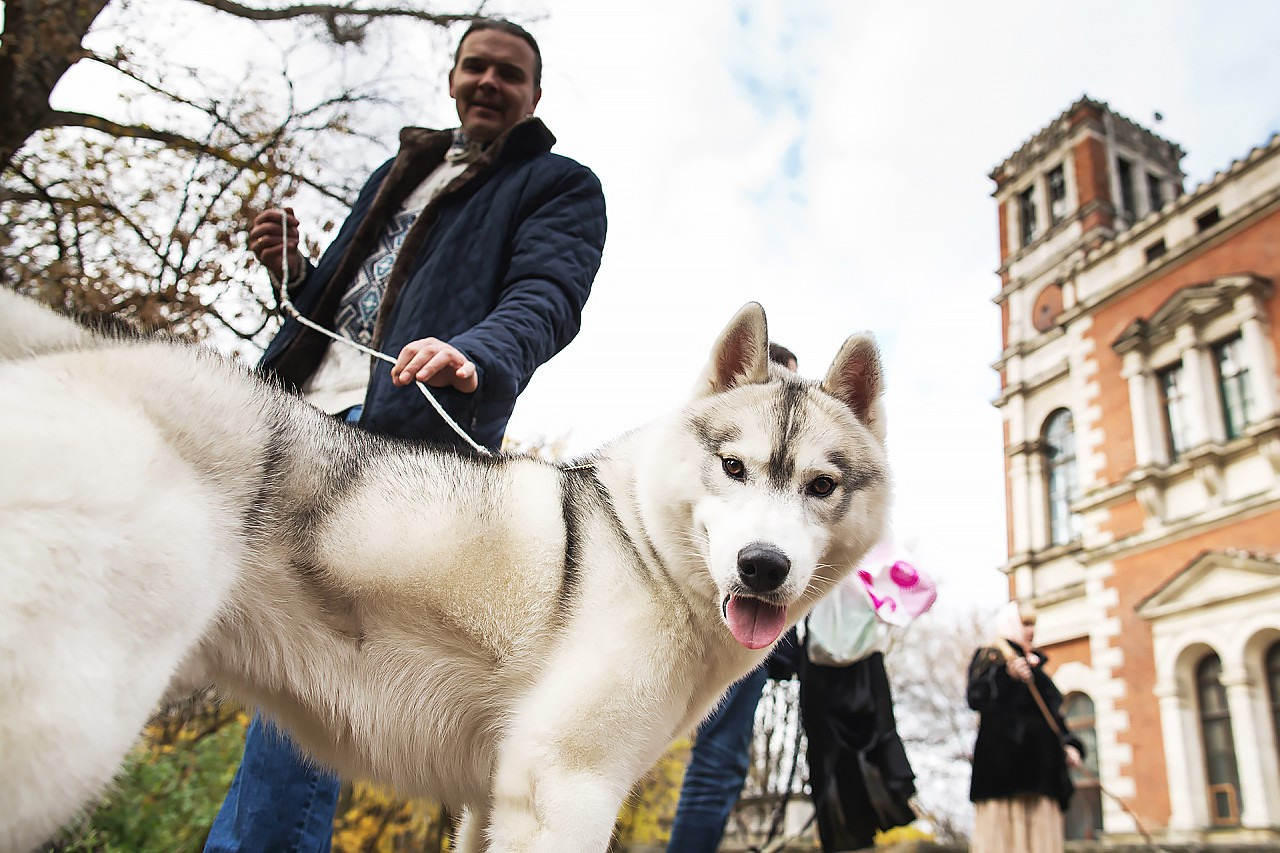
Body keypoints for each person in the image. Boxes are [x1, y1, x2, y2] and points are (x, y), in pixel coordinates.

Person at [204, 18, 606, 853]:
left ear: (535, 95)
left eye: (510, 73)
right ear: (453, 77)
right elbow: (349, 300)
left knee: (313, 660)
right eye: (476, 67)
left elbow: (548, 295)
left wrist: (475, 350)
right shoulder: (399, 172)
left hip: (404, 440)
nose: (489, 82)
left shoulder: (558, 185)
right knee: (274, 656)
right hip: (293, 420)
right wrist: (292, 274)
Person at [666, 342, 801, 853]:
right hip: (699, 605)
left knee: (722, 759)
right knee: (713, 758)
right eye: (780, 385)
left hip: (751, 623)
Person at [967, 601, 1084, 853]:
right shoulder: (990, 657)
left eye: (1033, 624)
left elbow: (1054, 718)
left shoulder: (1038, 671)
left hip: (1042, 774)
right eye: (1026, 623)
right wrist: (1006, 676)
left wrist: (1071, 745)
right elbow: (976, 697)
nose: (1031, 630)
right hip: (1004, 775)